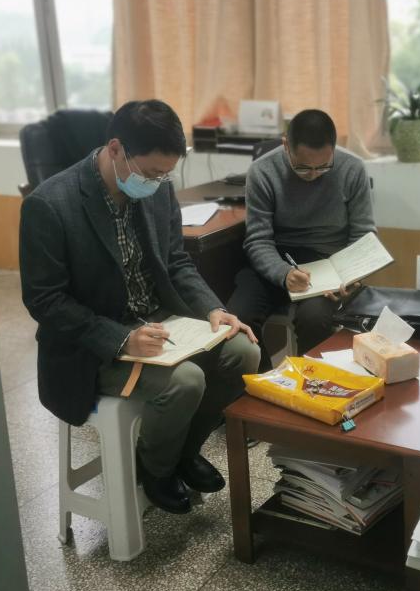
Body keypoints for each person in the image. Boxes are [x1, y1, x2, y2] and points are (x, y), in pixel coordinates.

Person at [20, 99, 260, 515]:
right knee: (185, 381)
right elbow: (45, 301)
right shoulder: (50, 205)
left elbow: (175, 261)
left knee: (244, 352)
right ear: (115, 149)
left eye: (166, 174)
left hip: (157, 321)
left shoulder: (157, 188)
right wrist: (121, 339)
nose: (157, 182)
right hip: (91, 346)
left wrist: (211, 309)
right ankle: (156, 469)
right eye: (150, 172)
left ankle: (183, 452)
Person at [227, 109, 375, 366]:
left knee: (314, 318)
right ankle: (266, 381)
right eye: (303, 167)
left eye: (323, 166)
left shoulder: (352, 168)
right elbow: (258, 240)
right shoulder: (263, 171)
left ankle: (312, 382)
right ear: (286, 145)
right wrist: (284, 273)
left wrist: (350, 275)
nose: (314, 174)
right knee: (239, 316)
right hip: (277, 258)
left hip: (328, 265)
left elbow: (364, 237)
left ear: (334, 148)